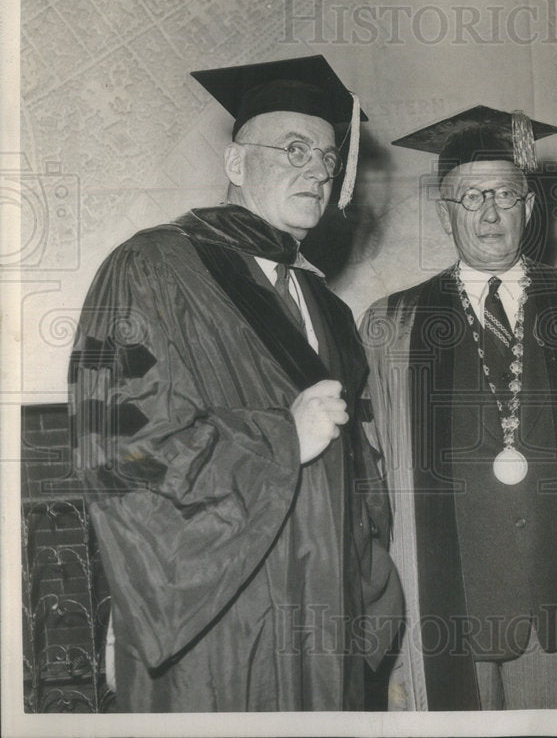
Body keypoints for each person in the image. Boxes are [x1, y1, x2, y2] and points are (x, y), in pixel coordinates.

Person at [68, 55, 402, 712]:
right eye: (294, 149)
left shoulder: (328, 311)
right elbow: (115, 448)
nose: (318, 169)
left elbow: (360, 478)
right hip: (221, 632)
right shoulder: (150, 267)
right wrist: (280, 437)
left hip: (324, 626)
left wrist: (373, 610)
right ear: (235, 164)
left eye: (329, 158)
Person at [360, 106, 557, 710]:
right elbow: (371, 490)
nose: (490, 213)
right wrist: (386, 638)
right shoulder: (391, 326)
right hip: (445, 613)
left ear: (531, 206)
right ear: (443, 212)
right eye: (470, 198)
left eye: (506, 194)